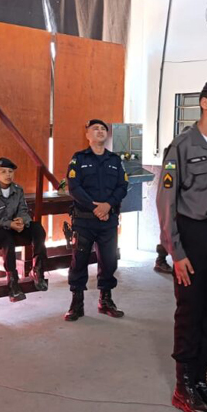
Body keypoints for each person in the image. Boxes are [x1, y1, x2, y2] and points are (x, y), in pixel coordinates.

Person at [156, 79, 207, 412]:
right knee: (190, 312)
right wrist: (176, 252)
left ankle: (200, 379)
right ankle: (183, 386)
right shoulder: (182, 146)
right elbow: (166, 201)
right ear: (204, 103)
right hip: (192, 235)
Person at [64, 119, 126, 321]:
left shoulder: (115, 160)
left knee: (109, 261)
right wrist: (95, 207)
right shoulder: (79, 159)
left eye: (103, 129)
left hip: (108, 220)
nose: (100, 131)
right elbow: (74, 187)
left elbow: (122, 187)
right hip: (84, 220)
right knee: (79, 261)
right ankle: (77, 303)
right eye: (95, 129)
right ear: (87, 135)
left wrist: (107, 206)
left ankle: (105, 300)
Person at [0, 157, 48, 302]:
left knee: (37, 229)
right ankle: (12, 280)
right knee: (7, 240)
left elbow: (23, 210)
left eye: (10, 171)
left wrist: (22, 220)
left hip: (14, 226)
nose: (8, 175)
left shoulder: (18, 190)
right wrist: (9, 224)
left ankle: (37, 269)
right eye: (3, 172)